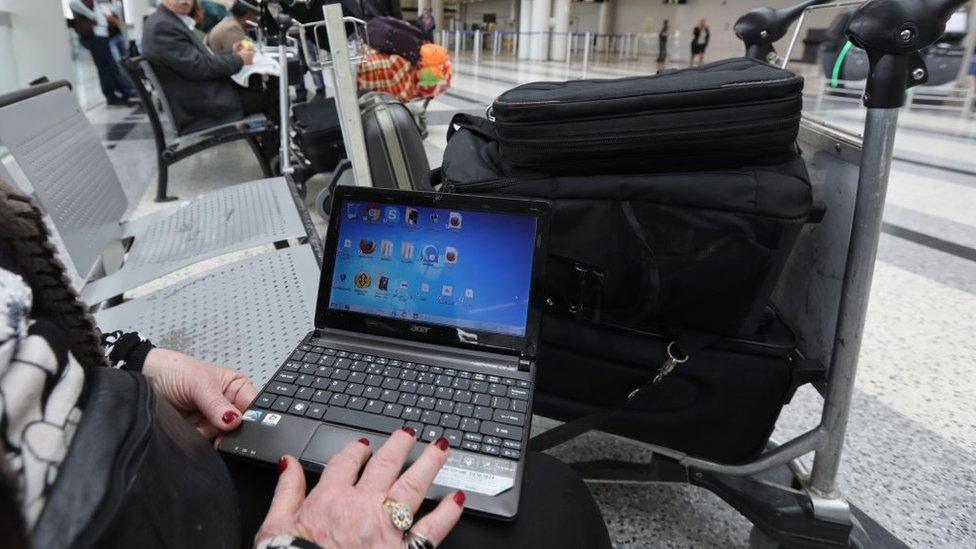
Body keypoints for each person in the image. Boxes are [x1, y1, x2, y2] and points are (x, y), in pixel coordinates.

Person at [0, 177, 613, 548]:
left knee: (545, 500)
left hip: (141, 449)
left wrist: (141, 360)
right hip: (144, 520)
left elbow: (41, 334)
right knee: (556, 512)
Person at [141, 0, 278, 150]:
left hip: (201, 97)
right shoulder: (163, 26)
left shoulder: (167, 21)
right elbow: (200, 67)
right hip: (202, 107)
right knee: (273, 95)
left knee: (261, 86)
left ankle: (269, 152)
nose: (184, 1)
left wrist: (231, 51)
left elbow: (199, 61)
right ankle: (272, 157)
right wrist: (239, 59)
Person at [69, 0, 135, 105]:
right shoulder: (76, 3)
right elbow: (91, 14)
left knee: (111, 66)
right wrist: (96, 17)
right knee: (104, 68)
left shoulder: (93, 3)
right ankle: (112, 96)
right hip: (95, 38)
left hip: (102, 36)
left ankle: (124, 91)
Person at [284, 0, 329, 102]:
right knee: (295, 65)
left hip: (306, 30)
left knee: (313, 64)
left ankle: (320, 91)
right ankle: (300, 92)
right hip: (290, 32)